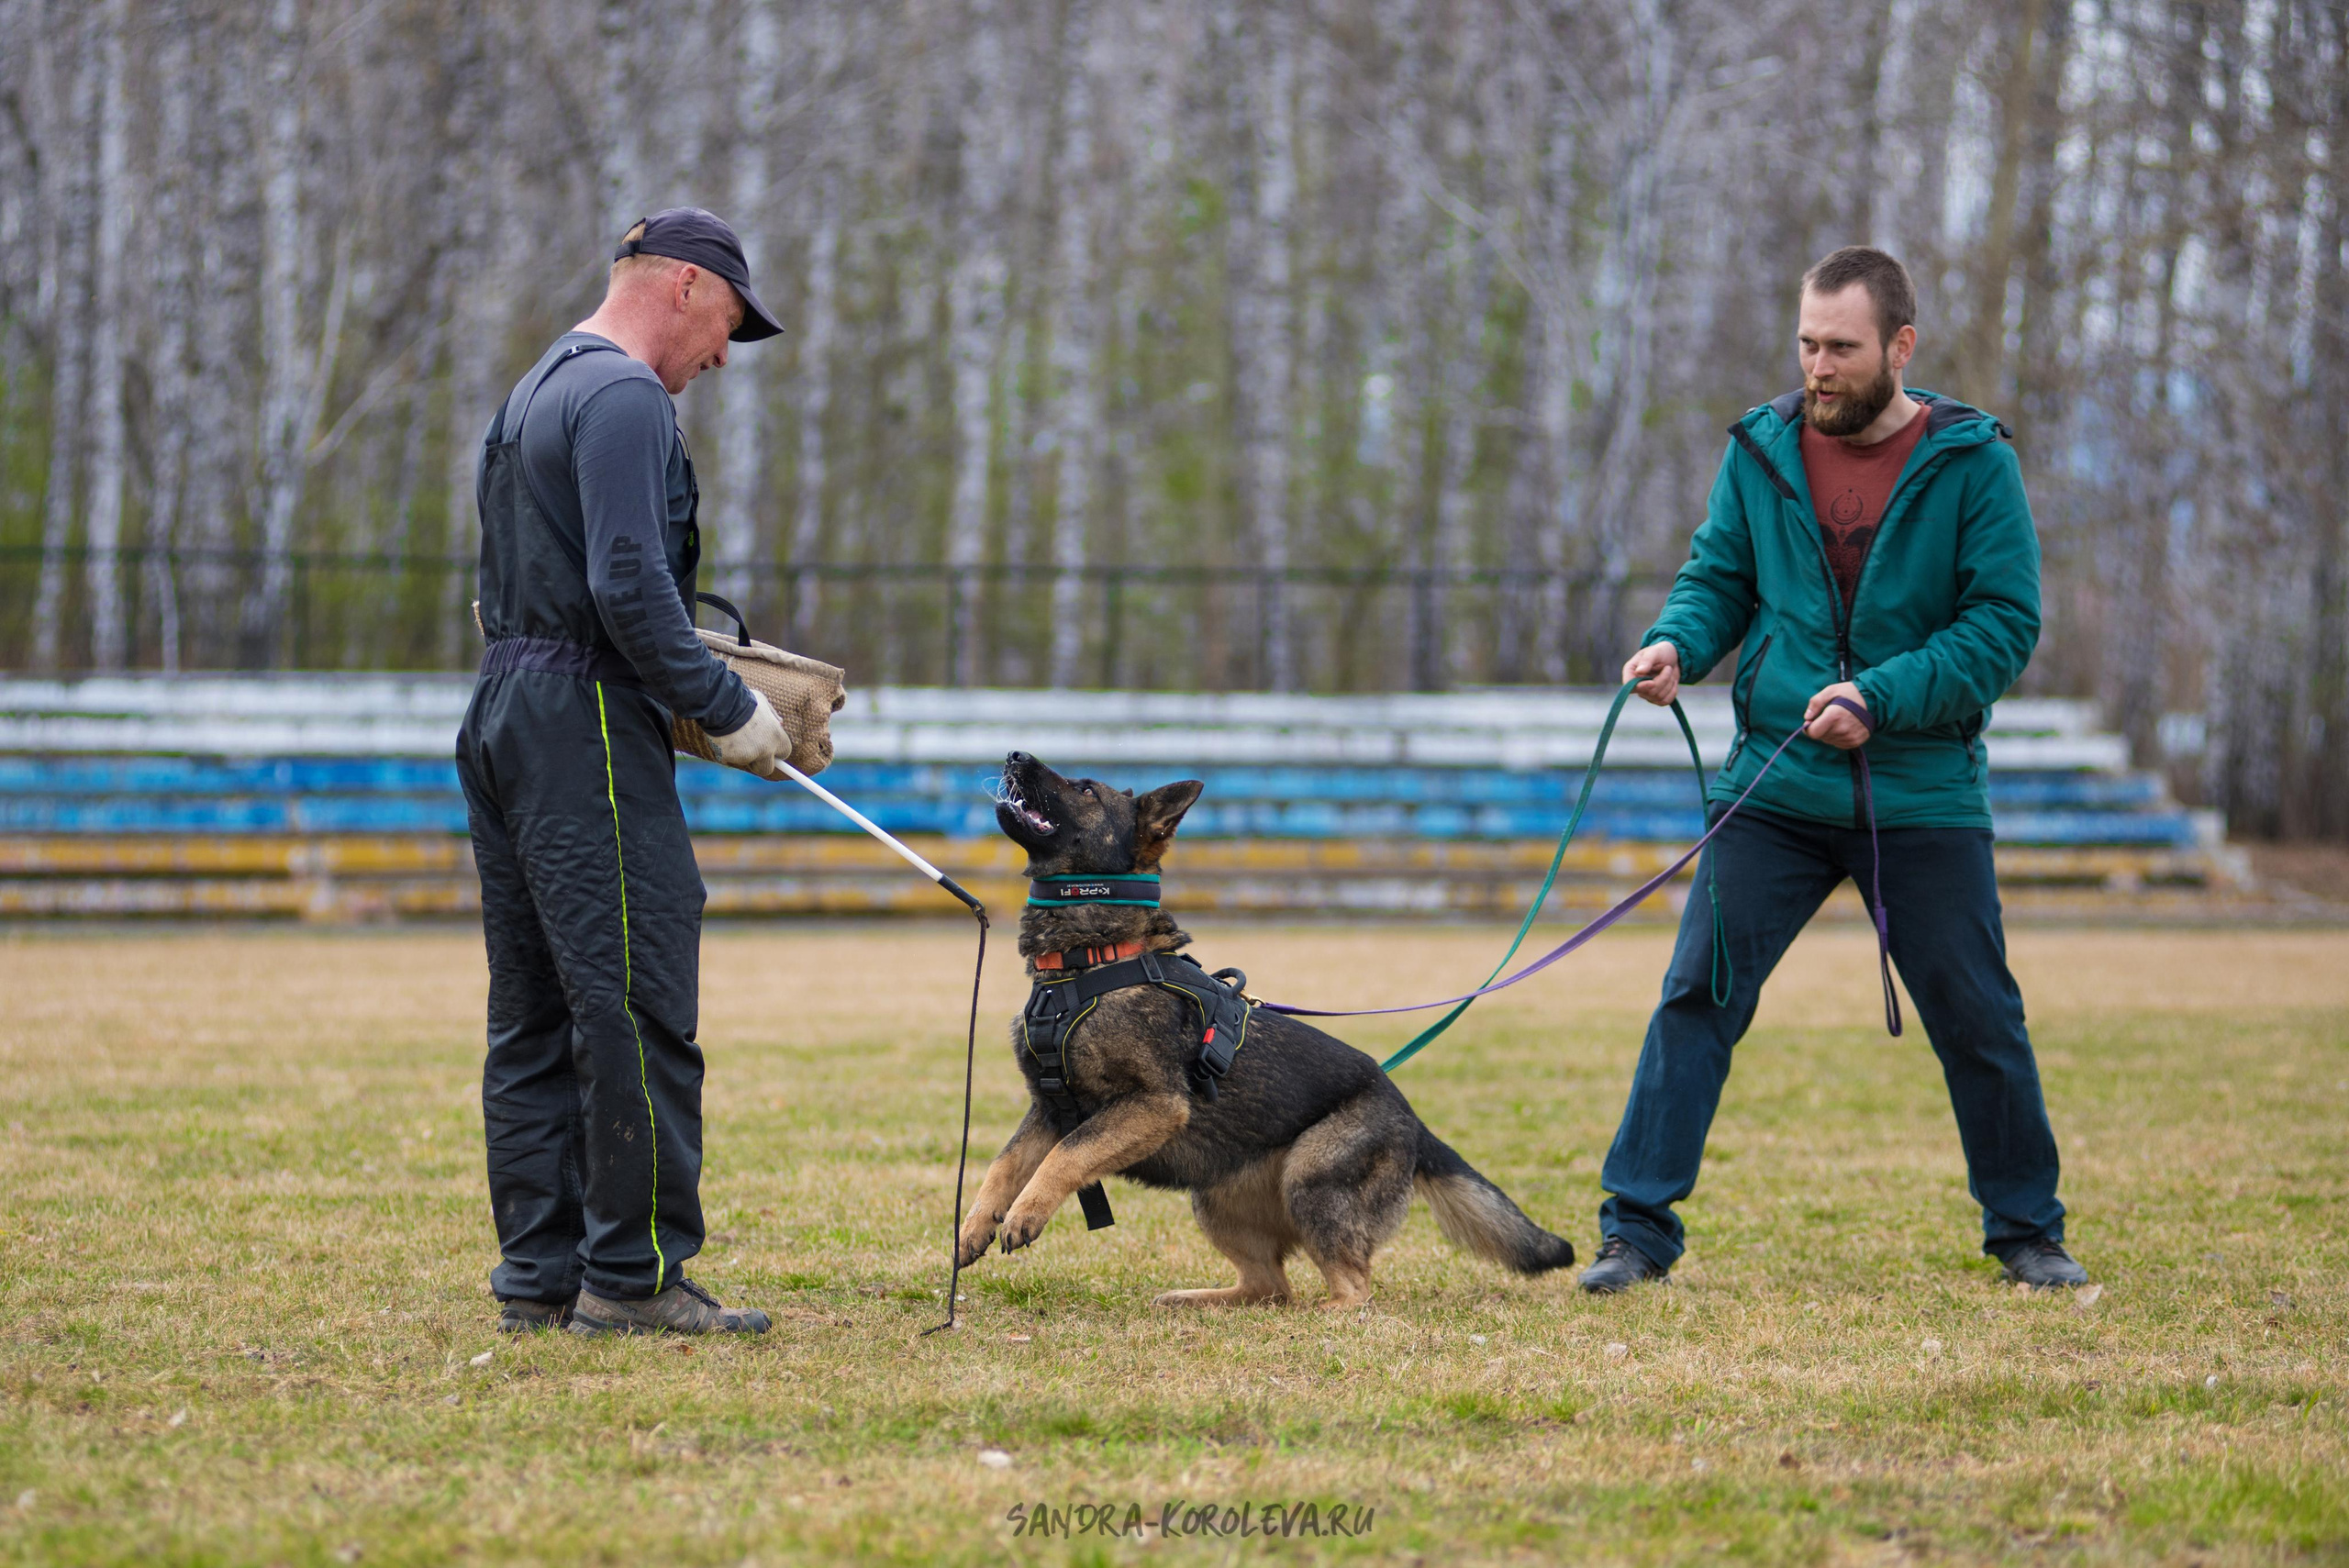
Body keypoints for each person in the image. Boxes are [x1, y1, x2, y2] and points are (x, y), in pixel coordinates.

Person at [1578, 246, 2088, 1296]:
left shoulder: (1972, 461)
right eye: (1807, 343)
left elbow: (2002, 624)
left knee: (1981, 1020)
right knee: (1693, 999)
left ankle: (2026, 1232)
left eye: (1841, 347)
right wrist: (1676, 642)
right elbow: (1717, 578)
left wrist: (1880, 697)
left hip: (1921, 792)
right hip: (1773, 787)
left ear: (1899, 346)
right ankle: (1634, 1233)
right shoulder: (1760, 449)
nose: (1818, 366)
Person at [456, 208, 791, 1336]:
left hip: (504, 704)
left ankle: (539, 1278)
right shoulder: (626, 397)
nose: (718, 362)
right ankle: (635, 1278)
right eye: (728, 329)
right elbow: (628, 585)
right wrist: (726, 706)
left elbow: (512, 583)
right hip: (584, 718)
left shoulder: (535, 388)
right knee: (636, 998)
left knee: (536, 1009)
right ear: (688, 287)